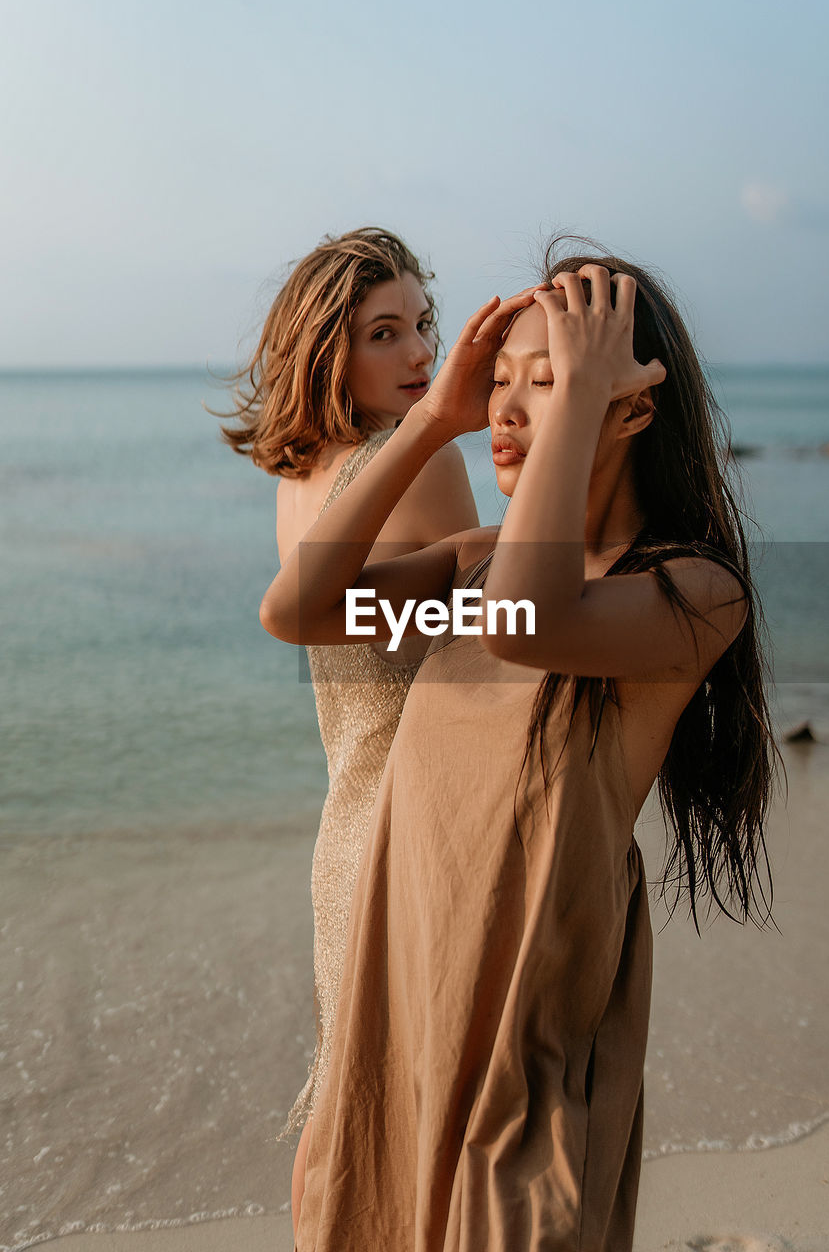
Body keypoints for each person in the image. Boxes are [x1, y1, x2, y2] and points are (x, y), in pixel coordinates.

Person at [259, 246, 777, 1250]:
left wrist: (575, 398)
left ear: (629, 409)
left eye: (545, 381)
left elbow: (526, 622)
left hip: (525, 1048)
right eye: (496, 380)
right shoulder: (473, 561)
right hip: (401, 1013)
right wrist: (427, 423)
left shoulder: (693, 594)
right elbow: (300, 609)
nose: (503, 409)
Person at [217, 227, 479, 1230]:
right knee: (431, 1123)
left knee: (347, 1109)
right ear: (331, 349)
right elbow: (476, 649)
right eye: (386, 332)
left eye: (422, 324)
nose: (422, 353)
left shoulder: (307, 474)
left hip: (346, 831)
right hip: (421, 826)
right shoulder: (416, 466)